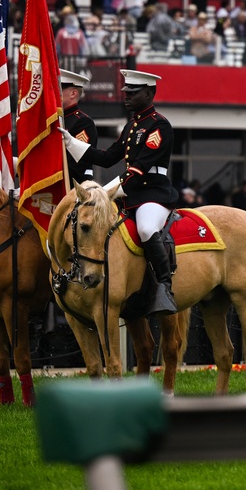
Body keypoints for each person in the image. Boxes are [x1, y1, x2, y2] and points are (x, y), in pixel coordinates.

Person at [60, 69, 179, 316]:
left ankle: (165, 287)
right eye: (126, 92)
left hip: (153, 194)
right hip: (131, 194)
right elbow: (105, 158)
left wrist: (107, 191)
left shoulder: (159, 126)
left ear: (148, 94)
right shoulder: (131, 126)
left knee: (146, 229)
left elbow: (140, 169)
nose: (126, 97)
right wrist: (71, 142)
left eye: (132, 93)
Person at [59, 69, 97, 184]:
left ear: (73, 93)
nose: (55, 93)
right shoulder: (57, 118)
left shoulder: (83, 122)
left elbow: (78, 161)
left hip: (74, 186)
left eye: (59, 89)